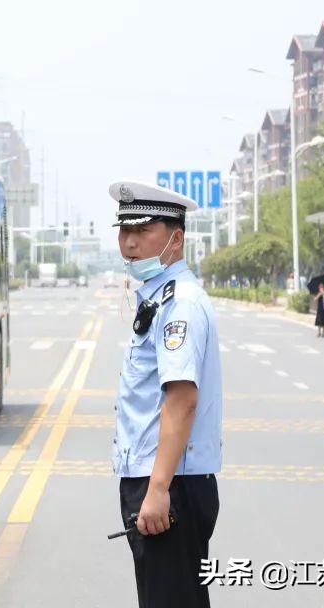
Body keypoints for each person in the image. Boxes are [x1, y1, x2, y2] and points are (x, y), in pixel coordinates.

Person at [109, 180, 223, 608]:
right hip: (160, 477)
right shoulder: (158, 298)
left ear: (176, 238)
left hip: (171, 482)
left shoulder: (181, 304)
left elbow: (181, 399)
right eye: (124, 231)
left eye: (143, 230)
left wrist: (158, 489)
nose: (131, 243)